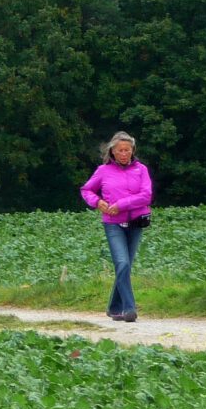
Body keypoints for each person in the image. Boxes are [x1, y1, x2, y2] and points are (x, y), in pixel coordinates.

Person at [80, 131, 153, 322]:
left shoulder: (141, 170)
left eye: (127, 150)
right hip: (113, 224)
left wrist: (121, 204)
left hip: (136, 222)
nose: (124, 153)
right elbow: (86, 189)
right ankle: (129, 309)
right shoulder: (103, 171)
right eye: (120, 150)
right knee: (122, 263)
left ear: (133, 150)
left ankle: (114, 308)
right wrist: (97, 202)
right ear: (112, 151)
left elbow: (146, 196)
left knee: (125, 266)